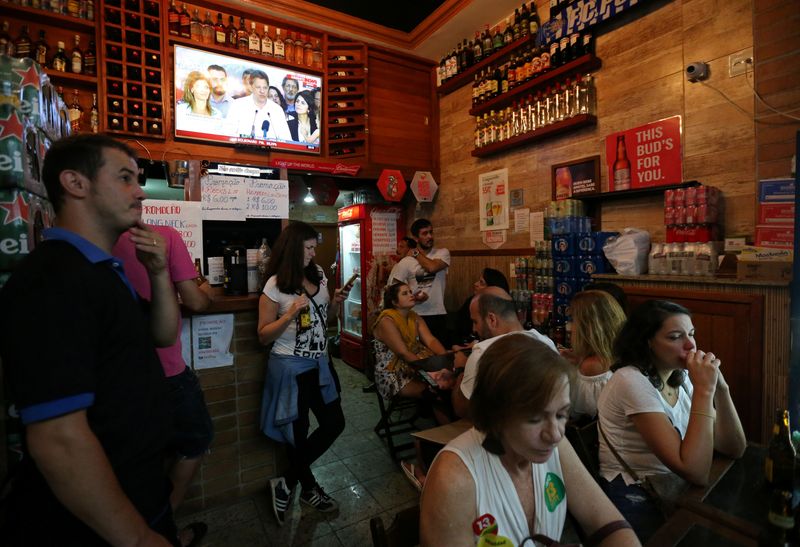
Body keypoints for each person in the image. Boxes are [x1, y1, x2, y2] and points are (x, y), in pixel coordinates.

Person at [0, 134, 180, 545]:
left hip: (139, 493)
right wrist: (135, 538)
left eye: (137, 179)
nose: (139, 192)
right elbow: (58, 438)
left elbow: (163, 335)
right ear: (75, 183)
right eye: (124, 178)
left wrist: (157, 271)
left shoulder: (99, 271)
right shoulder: (52, 280)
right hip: (91, 525)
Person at [420, 334, 640, 547]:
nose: (555, 434)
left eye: (562, 414)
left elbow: (609, 523)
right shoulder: (454, 478)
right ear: (495, 414)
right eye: (535, 419)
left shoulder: (555, 447)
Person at [597, 300, 747, 540]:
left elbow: (734, 447)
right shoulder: (631, 381)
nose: (690, 345)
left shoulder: (681, 374)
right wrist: (704, 391)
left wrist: (721, 387)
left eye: (691, 334)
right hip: (638, 493)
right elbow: (696, 471)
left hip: (675, 486)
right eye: (675, 337)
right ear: (647, 342)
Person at [112, 224, 214, 547]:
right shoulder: (164, 236)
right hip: (167, 374)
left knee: (137, 464)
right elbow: (196, 301)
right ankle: (162, 528)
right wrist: (206, 288)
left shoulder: (89, 243)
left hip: (114, 384)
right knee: (197, 438)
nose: (138, 194)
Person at [257, 221, 349, 526]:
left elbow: (327, 320)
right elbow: (263, 336)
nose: (313, 252)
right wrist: (291, 314)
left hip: (320, 364)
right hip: (289, 367)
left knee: (335, 422)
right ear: (293, 248)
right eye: (308, 247)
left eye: (314, 247)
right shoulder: (274, 286)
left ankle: (286, 480)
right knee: (296, 435)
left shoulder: (319, 274)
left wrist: (335, 304)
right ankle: (309, 488)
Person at [452, 287, 557, 418]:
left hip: (504, 435)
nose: (474, 329)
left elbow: (463, 410)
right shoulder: (547, 343)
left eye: (475, 321)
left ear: (491, 319)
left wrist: (461, 370)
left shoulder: (483, 353)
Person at [371, 282, 451, 410]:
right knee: (435, 392)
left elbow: (430, 340)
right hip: (393, 374)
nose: (411, 295)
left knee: (447, 386)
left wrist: (445, 360)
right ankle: (446, 428)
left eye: (409, 291)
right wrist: (429, 371)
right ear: (395, 302)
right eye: (405, 293)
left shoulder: (414, 317)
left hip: (413, 366)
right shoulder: (386, 321)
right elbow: (403, 353)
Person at [562, 290, 626, 419]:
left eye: (573, 320)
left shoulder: (592, 367)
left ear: (586, 327)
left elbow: (581, 415)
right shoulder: (621, 353)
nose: (570, 326)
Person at [407, 218, 451, 346]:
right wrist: (412, 296)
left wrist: (415, 253)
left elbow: (432, 267)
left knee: (438, 356)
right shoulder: (408, 259)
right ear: (416, 238)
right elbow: (401, 284)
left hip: (436, 313)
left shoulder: (442, 253)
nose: (430, 236)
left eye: (431, 232)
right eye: (425, 233)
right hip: (414, 313)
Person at [227, 70, 292, 141]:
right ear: (251, 87)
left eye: (265, 87)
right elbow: (228, 134)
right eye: (258, 87)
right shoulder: (238, 105)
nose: (262, 91)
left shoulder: (277, 109)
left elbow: (286, 139)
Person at [453, 267, 509, 344]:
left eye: (481, 283)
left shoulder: (502, 308)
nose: (475, 284)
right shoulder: (471, 302)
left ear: (492, 287)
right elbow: (459, 331)